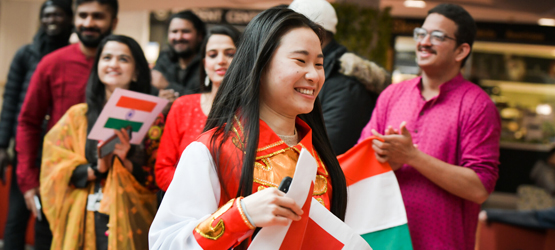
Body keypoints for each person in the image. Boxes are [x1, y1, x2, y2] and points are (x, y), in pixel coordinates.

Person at [149, 6, 347, 249]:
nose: (314, 75)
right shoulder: (212, 151)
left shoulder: (319, 156)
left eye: (319, 63)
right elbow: (165, 244)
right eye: (300, 60)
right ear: (259, 65)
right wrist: (241, 215)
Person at [358, 3, 500, 250]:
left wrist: (412, 157)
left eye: (437, 36)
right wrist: (386, 160)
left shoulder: (477, 105)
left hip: (441, 243)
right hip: (382, 239)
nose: (424, 42)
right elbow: (361, 159)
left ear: (461, 51)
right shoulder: (392, 94)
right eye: (420, 34)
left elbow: (479, 187)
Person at [14, 0, 118, 247]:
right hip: (59, 181)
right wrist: (29, 182)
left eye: (97, 16)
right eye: (82, 15)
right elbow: (28, 122)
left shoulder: (121, 64)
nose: (88, 23)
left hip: (112, 187)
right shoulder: (52, 63)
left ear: (114, 22)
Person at [40, 34, 157, 249]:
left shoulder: (153, 118)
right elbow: (53, 168)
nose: (113, 64)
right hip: (85, 215)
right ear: (97, 67)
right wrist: (98, 168)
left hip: (133, 217)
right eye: (107, 58)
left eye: (123, 59)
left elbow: (158, 177)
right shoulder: (77, 116)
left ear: (137, 71)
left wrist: (126, 160)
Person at [0, 1, 72, 249]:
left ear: (69, 19)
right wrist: (2, 144)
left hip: (60, 148)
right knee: (17, 215)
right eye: (47, 15)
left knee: (49, 218)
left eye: (58, 14)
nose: (52, 19)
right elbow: (11, 99)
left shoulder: (72, 54)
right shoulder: (25, 53)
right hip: (26, 144)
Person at [289, 0, 390, 155]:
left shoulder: (345, 81)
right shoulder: (328, 71)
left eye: (291, 29)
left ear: (317, 32)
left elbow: (328, 149)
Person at [155, 25, 241, 192]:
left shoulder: (253, 110)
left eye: (230, 54)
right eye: (212, 55)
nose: (221, 60)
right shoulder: (183, 106)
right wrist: (200, 193)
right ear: (205, 63)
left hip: (236, 209)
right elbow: (162, 170)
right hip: (188, 209)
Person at [152, 10, 206, 98]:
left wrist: (168, 86)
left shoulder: (208, 62)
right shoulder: (164, 59)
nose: (179, 37)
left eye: (185, 31)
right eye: (174, 31)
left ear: (200, 36)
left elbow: (205, 99)